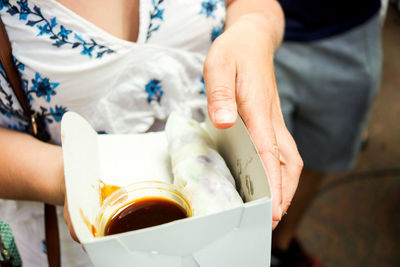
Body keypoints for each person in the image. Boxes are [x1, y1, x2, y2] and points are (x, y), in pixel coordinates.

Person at [0, 0, 302, 266]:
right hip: (82, 233)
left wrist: (254, 29)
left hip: (217, 198)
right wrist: (68, 176)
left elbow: (253, 4)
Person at [271, 0, 382, 266]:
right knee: (253, 170)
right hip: (253, 27)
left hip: (347, 28)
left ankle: (280, 247)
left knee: (320, 154)